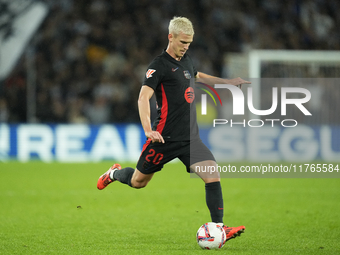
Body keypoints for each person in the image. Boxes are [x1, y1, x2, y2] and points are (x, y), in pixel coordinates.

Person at [97, 16, 250, 243]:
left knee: (212, 175)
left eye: (189, 43)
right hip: (163, 138)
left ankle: (219, 227)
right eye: (182, 42)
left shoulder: (187, 60)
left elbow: (198, 76)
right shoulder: (158, 66)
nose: (186, 47)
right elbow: (143, 98)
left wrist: (226, 82)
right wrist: (148, 129)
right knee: (139, 182)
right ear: (171, 37)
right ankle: (114, 174)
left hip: (190, 138)